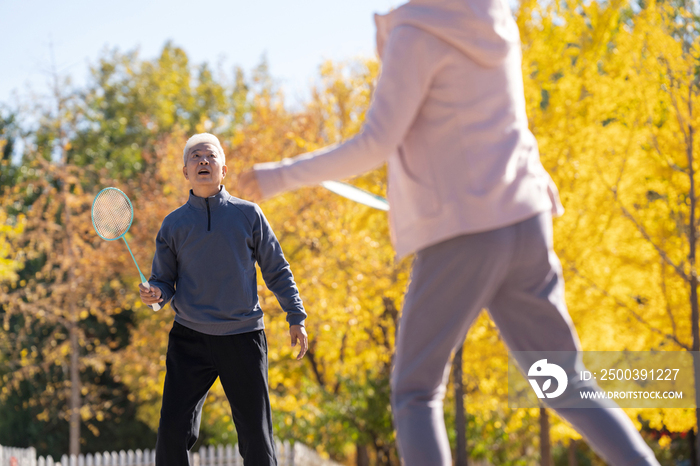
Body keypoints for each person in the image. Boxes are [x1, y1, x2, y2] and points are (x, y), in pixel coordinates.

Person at [238, 0, 661, 464]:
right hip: (527, 218)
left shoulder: (416, 34)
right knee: (563, 379)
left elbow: (375, 143)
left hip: (466, 233)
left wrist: (275, 177)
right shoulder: (495, 19)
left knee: (415, 393)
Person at [140, 133, 308, 466]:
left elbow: (276, 268)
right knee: (171, 433)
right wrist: (156, 295)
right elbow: (163, 281)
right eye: (195, 157)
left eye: (210, 156)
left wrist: (296, 316)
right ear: (185, 171)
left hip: (243, 337)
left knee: (257, 438)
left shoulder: (249, 215)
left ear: (224, 169)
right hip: (189, 339)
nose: (203, 161)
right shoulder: (172, 225)